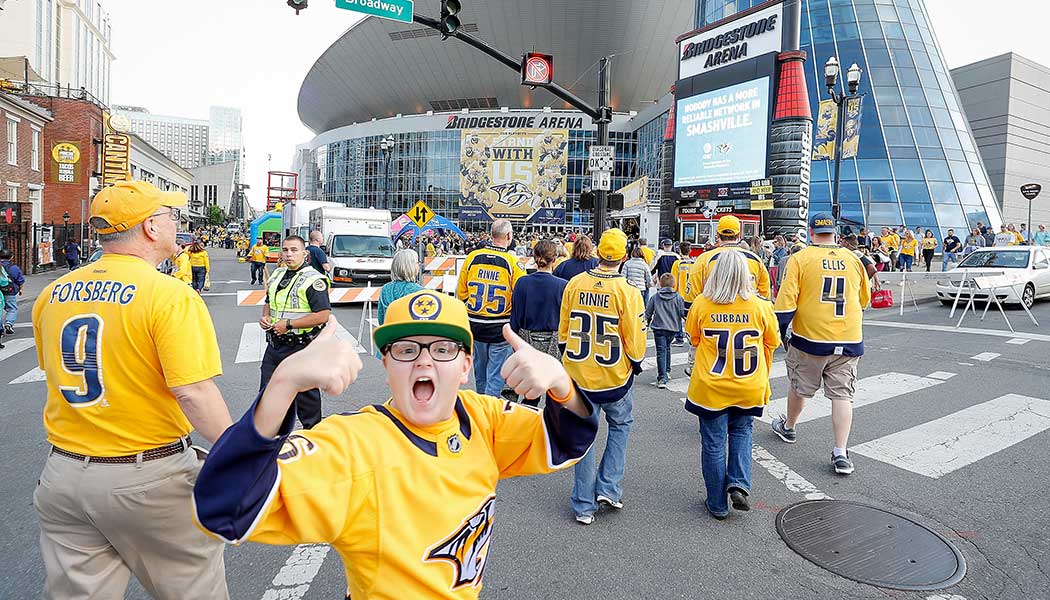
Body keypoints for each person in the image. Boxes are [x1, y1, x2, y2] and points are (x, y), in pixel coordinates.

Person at [193, 293, 597, 597]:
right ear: (386, 366)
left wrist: (563, 386)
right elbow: (224, 508)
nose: (424, 362)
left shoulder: (482, 418)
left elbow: (567, 441)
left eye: (442, 349)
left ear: (465, 366)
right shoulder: (357, 445)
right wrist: (282, 385)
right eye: (406, 350)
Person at [32, 180, 232, 599]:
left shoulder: (51, 295)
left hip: (64, 474)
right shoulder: (169, 295)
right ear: (151, 228)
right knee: (193, 589)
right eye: (172, 217)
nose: (178, 224)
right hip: (147, 477)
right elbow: (194, 392)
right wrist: (242, 452)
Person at [772, 212, 870, 475]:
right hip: (848, 338)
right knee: (842, 395)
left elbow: (785, 304)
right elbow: (863, 300)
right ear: (835, 233)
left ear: (811, 232)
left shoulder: (801, 259)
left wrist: (781, 333)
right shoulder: (854, 259)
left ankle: (789, 427)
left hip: (811, 338)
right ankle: (841, 452)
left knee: (801, 387)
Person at [559, 228, 646, 525]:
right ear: (623, 256)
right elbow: (635, 339)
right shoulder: (628, 292)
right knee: (620, 427)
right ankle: (609, 486)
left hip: (580, 373)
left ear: (598, 254)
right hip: (613, 376)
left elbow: (564, 328)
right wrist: (635, 364)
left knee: (583, 436)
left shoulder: (575, 283)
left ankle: (583, 503)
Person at [685, 250, 780, 519]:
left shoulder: (702, 304)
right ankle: (739, 482)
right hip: (748, 383)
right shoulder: (761, 306)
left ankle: (716, 503)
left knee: (714, 443)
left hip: (711, 386)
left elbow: (693, 339)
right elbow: (772, 342)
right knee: (742, 432)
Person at [260, 235, 332, 430]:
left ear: (304, 254)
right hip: (275, 346)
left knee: (307, 403)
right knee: (269, 399)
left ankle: (314, 442)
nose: (289, 254)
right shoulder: (277, 275)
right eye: (285, 250)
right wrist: (265, 317)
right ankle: (273, 444)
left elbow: (323, 315)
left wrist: (289, 324)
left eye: (294, 250)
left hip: (301, 348)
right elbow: (269, 302)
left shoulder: (314, 279)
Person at [456, 219, 526, 397]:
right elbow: (520, 294)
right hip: (500, 326)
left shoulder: (472, 257)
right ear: (509, 236)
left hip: (475, 323)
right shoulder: (513, 262)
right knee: (495, 376)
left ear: (491, 234)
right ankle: (489, 411)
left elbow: (461, 292)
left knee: (480, 372)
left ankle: (481, 403)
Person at [509, 240, 567, 405]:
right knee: (555, 394)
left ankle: (527, 426)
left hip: (528, 340)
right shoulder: (563, 286)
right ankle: (551, 427)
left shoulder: (523, 283)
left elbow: (515, 318)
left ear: (534, 258)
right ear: (554, 259)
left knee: (530, 393)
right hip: (554, 342)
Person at [686, 216, 771, 306]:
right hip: (748, 316)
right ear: (739, 235)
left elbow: (691, 298)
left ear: (717, 235)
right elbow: (765, 297)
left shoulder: (703, 259)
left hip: (711, 316)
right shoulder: (755, 260)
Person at [646, 273, 684, 389]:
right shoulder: (678, 298)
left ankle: (662, 377)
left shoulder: (655, 297)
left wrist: (645, 326)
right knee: (667, 348)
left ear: (660, 284)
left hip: (658, 328)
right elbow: (682, 313)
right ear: (674, 284)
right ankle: (667, 371)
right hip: (672, 328)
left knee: (661, 351)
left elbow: (648, 313)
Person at [378, 249, 424, 327]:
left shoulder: (385, 289)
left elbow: (381, 319)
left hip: (391, 333)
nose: (419, 265)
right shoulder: (420, 291)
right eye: (417, 263)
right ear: (411, 266)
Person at [670, 242, 695, 351]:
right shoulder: (695, 263)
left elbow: (674, 280)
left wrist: (672, 292)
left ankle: (679, 338)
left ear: (679, 251)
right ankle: (691, 337)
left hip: (680, 294)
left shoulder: (678, 264)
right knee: (690, 318)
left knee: (677, 318)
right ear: (690, 251)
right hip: (692, 295)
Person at [1, 249, 26, 335]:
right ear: (11, 257)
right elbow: (20, 280)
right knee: (11, 309)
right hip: (9, 291)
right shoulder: (14, 268)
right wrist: (21, 289)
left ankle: (0, 328)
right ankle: (9, 323)